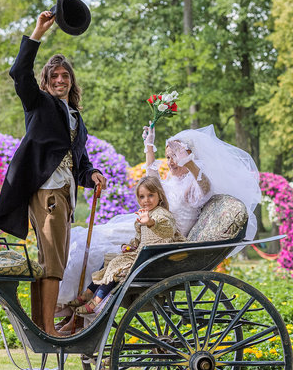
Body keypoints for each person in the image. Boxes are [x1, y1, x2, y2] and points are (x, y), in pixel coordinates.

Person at [58, 124, 260, 306]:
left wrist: (189, 162)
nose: (170, 162)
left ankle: (88, 311)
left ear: (188, 157)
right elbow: (152, 179)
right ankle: (76, 310)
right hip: (146, 226)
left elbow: (205, 188)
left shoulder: (192, 185)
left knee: (96, 249)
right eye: (169, 156)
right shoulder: (173, 179)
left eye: (175, 157)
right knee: (89, 239)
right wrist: (149, 146)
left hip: (164, 234)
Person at [0, 10, 107, 337]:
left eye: (65, 77)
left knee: (50, 261)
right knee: (53, 262)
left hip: (64, 194)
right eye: (54, 76)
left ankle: (43, 326)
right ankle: (47, 329)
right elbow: (19, 71)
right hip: (48, 192)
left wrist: (93, 174)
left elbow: (78, 159)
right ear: (45, 83)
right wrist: (39, 30)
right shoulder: (39, 104)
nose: (60, 81)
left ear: (72, 82)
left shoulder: (74, 117)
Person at [73, 176, 185, 315]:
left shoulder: (162, 214)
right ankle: (88, 293)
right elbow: (139, 238)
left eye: (151, 195)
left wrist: (150, 222)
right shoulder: (145, 215)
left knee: (116, 267)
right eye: (142, 197)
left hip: (154, 257)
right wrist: (131, 246)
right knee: (110, 260)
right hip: (142, 254)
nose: (146, 200)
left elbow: (167, 229)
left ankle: (95, 302)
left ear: (159, 196)